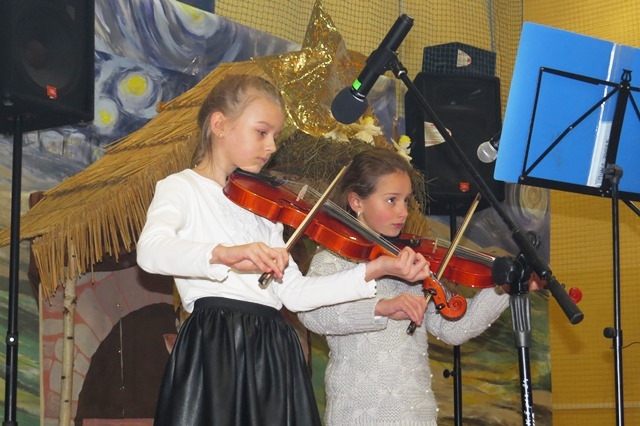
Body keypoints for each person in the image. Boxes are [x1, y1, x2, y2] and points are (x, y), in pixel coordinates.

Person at [135, 74, 432, 426]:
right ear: (220, 125)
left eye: (275, 136)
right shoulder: (182, 188)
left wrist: (374, 269)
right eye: (262, 132)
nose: (272, 146)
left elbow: (296, 294)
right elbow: (150, 252)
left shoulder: (265, 211)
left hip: (273, 348)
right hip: (216, 341)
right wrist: (223, 254)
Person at [298, 147, 543, 426]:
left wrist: (504, 288)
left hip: (416, 414)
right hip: (357, 413)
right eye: (391, 200)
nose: (403, 212)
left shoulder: (414, 263)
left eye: (406, 201)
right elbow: (313, 315)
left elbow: (455, 328)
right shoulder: (333, 258)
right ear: (357, 201)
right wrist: (383, 308)